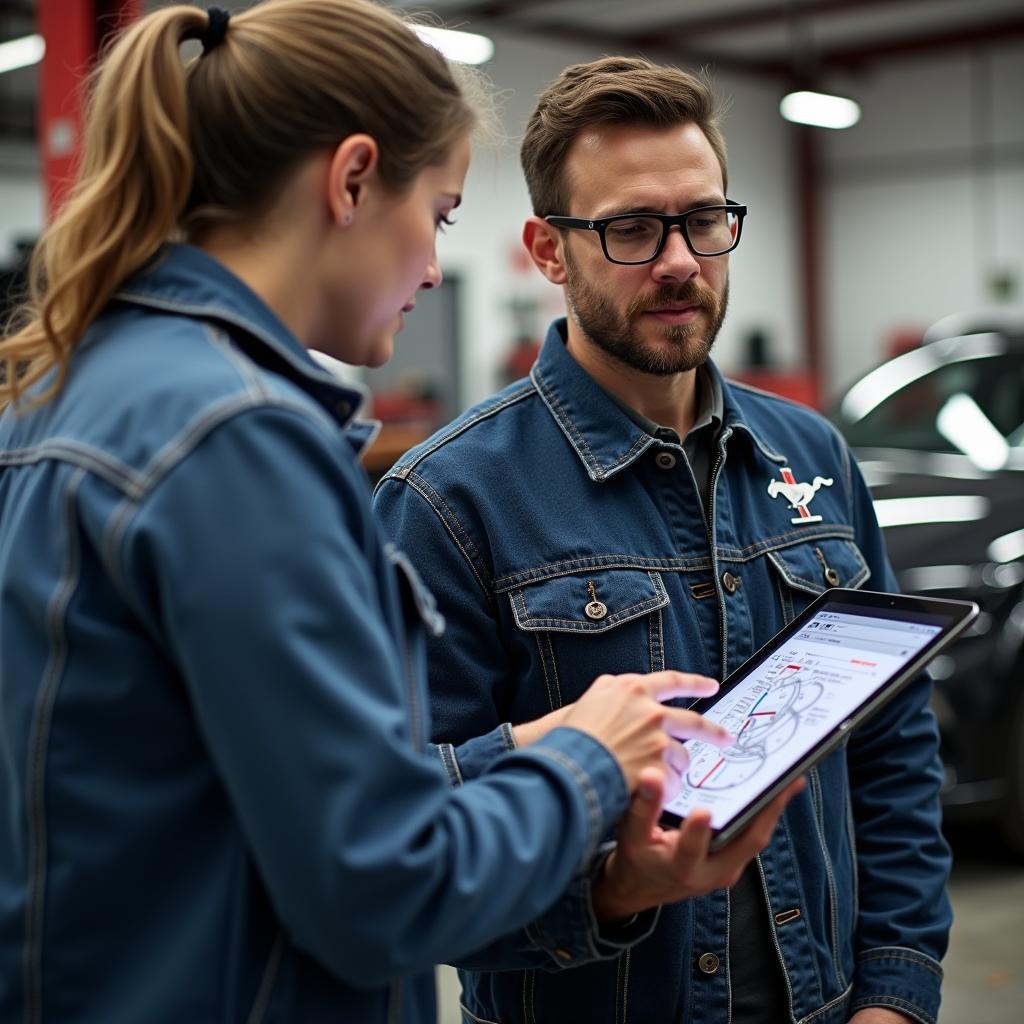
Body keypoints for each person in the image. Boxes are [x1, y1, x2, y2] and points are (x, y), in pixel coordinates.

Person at [0, 9, 794, 1022]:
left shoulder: (65, 389)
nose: (429, 268)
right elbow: (384, 886)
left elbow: (229, 787)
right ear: (353, 179)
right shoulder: (240, 441)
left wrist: (513, 754)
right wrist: (587, 759)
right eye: (441, 212)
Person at [374, 56, 952, 1024]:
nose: (680, 259)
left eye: (703, 220)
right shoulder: (447, 500)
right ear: (548, 251)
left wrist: (893, 995)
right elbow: (407, 850)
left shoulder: (812, 455)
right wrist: (611, 890)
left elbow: (889, 752)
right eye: (632, 229)